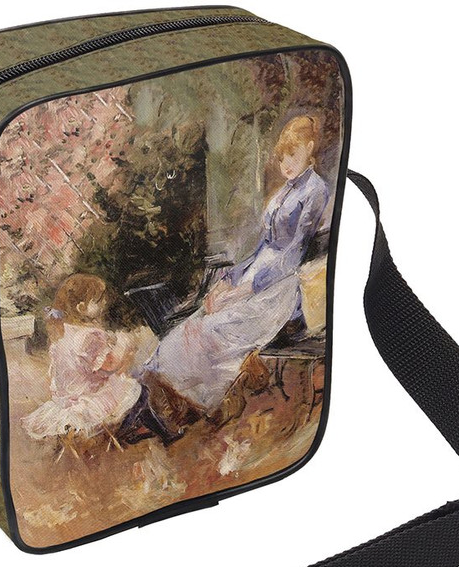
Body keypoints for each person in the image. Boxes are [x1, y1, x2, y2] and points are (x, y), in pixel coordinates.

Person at [141, 115, 330, 428]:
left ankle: (191, 401)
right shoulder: (283, 192)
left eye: (292, 155)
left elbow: (293, 255)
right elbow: (262, 248)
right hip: (257, 273)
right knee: (198, 319)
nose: (285, 164)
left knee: (213, 329)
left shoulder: (315, 190)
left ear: (309, 148)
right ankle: (169, 392)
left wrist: (246, 289)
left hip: (281, 287)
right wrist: (227, 281)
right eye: (282, 157)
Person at [21, 274, 142, 450]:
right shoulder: (89, 337)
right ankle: (130, 433)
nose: (104, 303)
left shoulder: (62, 336)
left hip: (64, 401)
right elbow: (109, 366)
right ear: (82, 307)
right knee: (134, 387)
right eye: (98, 301)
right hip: (88, 400)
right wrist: (123, 345)